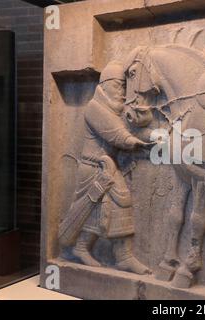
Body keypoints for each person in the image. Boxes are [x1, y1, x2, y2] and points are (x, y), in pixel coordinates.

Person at [58, 60, 152, 275]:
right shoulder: (95, 108)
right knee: (90, 208)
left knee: (104, 208)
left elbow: (123, 128)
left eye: (124, 87)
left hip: (106, 167)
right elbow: (116, 134)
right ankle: (83, 249)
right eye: (119, 86)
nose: (122, 93)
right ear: (106, 85)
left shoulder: (111, 109)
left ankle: (119, 256)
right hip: (95, 168)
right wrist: (135, 142)